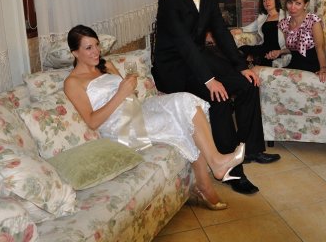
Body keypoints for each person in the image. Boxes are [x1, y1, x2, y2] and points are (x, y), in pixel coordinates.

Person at [63, 25, 245, 211]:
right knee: (181, 122)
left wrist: (129, 89)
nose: (96, 51)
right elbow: (92, 121)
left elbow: (129, 94)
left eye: (97, 45)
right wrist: (121, 93)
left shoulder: (106, 65)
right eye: (89, 48)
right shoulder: (72, 82)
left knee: (186, 101)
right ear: (75, 53)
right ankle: (207, 185)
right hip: (120, 126)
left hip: (136, 108)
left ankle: (215, 162)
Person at [151, 0, 280, 196]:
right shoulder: (169, 1)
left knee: (248, 83)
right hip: (174, 66)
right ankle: (232, 171)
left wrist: (241, 65)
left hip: (198, 56)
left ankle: (251, 149)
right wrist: (210, 80)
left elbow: (220, 31)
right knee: (218, 96)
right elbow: (185, 46)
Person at [271, 0, 326, 81]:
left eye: (298, 3)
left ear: (305, 5)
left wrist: (323, 68)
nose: (293, 7)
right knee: (265, 76)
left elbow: (320, 48)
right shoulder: (284, 24)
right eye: (290, 2)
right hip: (294, 67)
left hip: (312, 68)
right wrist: (280, 52)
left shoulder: (313, 21)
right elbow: (294, 49)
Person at [231, 0, 286, 67]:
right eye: (264, 1)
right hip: (264, 47)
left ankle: (252, 61)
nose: (267, 2)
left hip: (277, 49)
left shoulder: (284, 15)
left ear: (275, 0)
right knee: (242, 49)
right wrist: (240, 29)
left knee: (258, 58)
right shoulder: (263, 17)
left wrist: (282, 51)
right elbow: (252, 27)